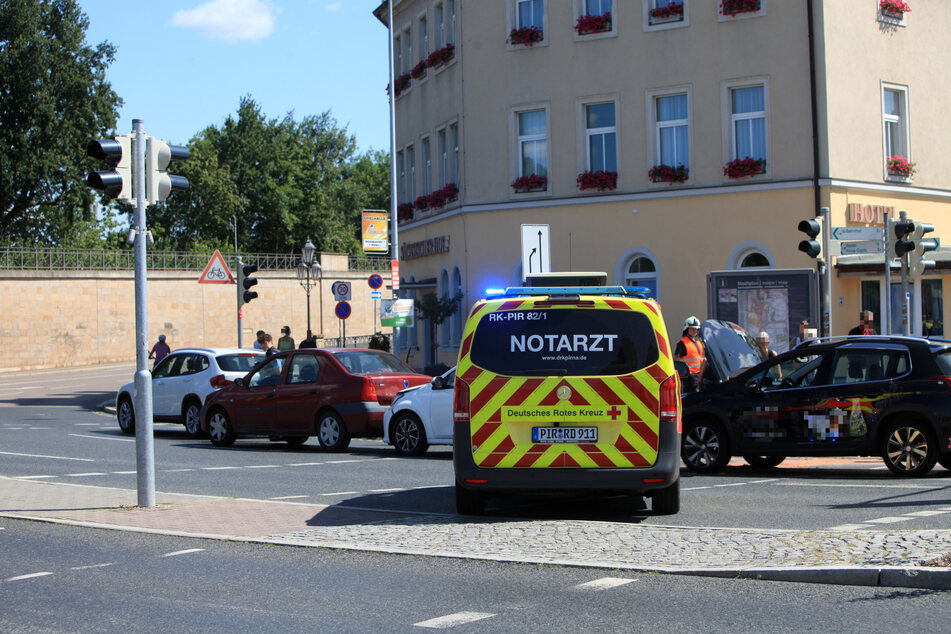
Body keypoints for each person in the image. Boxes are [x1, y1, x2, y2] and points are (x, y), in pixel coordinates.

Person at [673, 316, 705, 393]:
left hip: (700, 375)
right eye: (692, 328)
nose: (695, 331)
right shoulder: (682, 343)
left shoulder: (699, 343)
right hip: (689, 377)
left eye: (696, 329)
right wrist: (685, 369)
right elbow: (676, 358)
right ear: (687, 329)